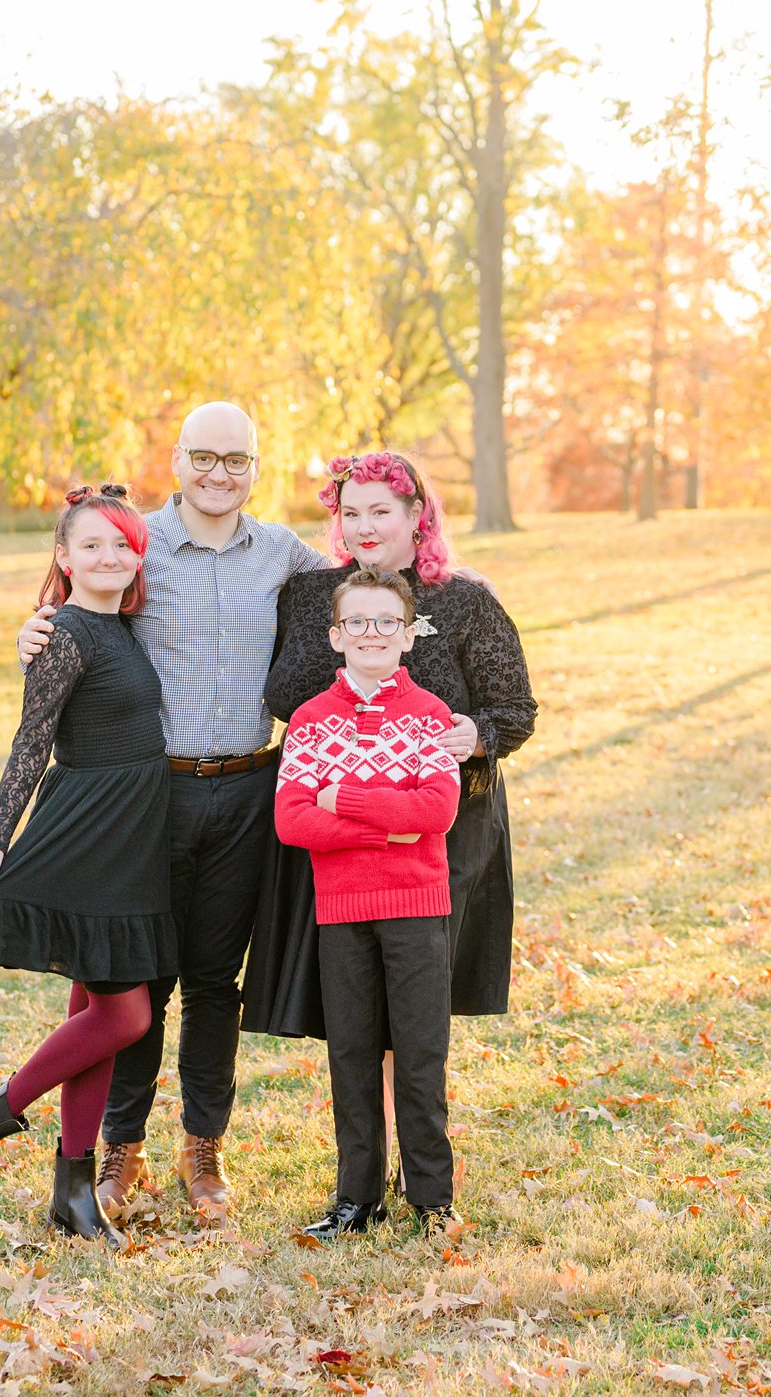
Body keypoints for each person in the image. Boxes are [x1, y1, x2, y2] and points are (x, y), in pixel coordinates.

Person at [12, 403, 330, 1226]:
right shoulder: (138, 543)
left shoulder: (283, 553)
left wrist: (452, 581)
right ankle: (121, 1144)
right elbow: (77, 600)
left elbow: (371, 578)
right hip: (149, 795)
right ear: (179, 459)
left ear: (256, 466)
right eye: (204, 456)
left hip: (247, 791)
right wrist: (33, 628)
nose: (219, 473)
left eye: (237, 459)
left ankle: (204, 1148)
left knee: (215, 981)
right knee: (139, 975)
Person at [246, 454, 536, 1203]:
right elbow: (283, 692)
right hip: (337, 826)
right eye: (351, 512)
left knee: (420, 1003)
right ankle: (365, 1174)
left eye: (383, 510)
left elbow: (516, 710)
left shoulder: (466, 602)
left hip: (444, 827)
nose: (365, 525)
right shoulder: (317, 595)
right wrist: (343, 620)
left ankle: (425, 1166)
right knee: (356, 1009)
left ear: (417, 516)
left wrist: (472, 735)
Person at [0, 485, 176, 1248]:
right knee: (124, 1016)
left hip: (131, 844)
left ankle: (73, 1195)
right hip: (89, 841)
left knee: (93, 1017)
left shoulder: (122, 627)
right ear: (64, 558)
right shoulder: (64, 633)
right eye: (91, 544)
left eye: (122, 543)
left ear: (138, 555)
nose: (109, 556)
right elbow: (29, 744)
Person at [273, 568, 463, 1236]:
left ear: (408, 636)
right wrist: (392, 821)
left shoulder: (431, 716)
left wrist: (344, 798)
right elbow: (293, 820)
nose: (373, 633)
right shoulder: (310, 721)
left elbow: (437, 809)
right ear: (336, 635)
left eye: (387, 622)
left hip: (417, 905)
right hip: (342, 910)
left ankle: (433, 1199)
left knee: (419, 1054)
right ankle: (356, 1199)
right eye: (358, 621)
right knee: (351, 1054)